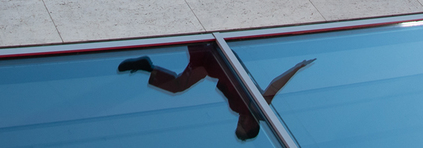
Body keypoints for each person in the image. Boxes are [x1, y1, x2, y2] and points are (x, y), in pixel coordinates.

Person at [118, 44, 314, 141]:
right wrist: (297, 67)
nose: (241, 121)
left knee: (177, 87)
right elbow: (273, 87)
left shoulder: (238, 109)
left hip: (211, 69)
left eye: (239, 125)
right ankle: (147, 67)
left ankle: (147, 68)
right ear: (254, 125)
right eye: (244, 125)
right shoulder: (258, 109)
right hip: (221, 64)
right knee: (179, 83)